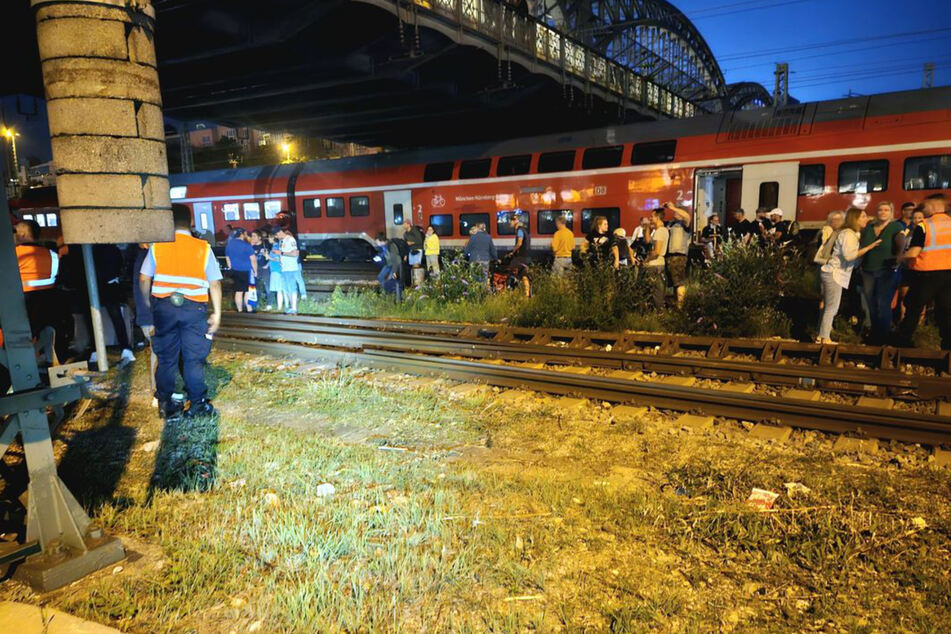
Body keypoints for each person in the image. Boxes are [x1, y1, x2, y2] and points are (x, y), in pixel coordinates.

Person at [139, 204, 223, 420]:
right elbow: (215, 284)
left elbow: (144, 278)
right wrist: (218, 313)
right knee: (193, 359)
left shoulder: (157, 247)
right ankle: (197, 405)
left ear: (169, 222)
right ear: (191, 221)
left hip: (164, 308)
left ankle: (165, 404)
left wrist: (149, 303)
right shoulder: (203, 248)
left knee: (166, 358)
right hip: (194, 309)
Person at [816, 207, 881, 344]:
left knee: (829, 305)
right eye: (863, 217)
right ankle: (824, 337)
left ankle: (821, 335)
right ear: (855, 219)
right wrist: (869, 248)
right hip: (834, 273)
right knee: (832, 307)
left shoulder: (849, 233)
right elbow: (849, 256)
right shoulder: (849, 234)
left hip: (833, 273)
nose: (866, 219)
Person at [897, 194, 951, 349]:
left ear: (934, 206)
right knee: (945, 311)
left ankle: (903, 342)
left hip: (926, 274)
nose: (924, 209)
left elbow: (914, 252)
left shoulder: (925, 225)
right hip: (949, 275)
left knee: (913, 308)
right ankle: (947, 345)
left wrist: (899, 258)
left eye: (926, 206)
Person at [859, 201, 902, 344]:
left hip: (886, 270)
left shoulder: (895, 226)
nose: (883, 212)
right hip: (868, 270)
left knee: (882, 303)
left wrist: (898, 257)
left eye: (886, 210)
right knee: (871, 304)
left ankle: (883, 337)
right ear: (876, 212)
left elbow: (901, 240)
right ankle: (874, 334)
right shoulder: (869, 227)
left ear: (891, 212)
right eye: (880, 210)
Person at [14, 219, 60, 339]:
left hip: (20, 302)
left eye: (15, 231)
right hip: (47, 301)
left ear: (22, 234)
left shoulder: (14, 253)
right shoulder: (52, 254)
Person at [664, 202, 692, 308]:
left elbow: (687, 216)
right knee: (674, 283)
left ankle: (681, 305)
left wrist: (672, 207)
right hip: (670, 256)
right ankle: (677, 303)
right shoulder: (671, 223)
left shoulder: (685, 224)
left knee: (679, 282)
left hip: (679, 256)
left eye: (678, 211)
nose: (675, 212)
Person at [643, 209, 669, 310]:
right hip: (659, 263)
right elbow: (648, 240)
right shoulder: (660, 230)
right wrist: (648, 228)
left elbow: (657, 252)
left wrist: (646, 260)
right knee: (657, 289)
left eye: (652, 216)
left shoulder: (660, 231)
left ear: (657, 217)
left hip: (655, 264)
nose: (650, 218)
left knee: (655, 290)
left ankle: (658, 310)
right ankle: (657, 310)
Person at [225, 229, 255, 312]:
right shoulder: (246, 245)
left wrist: (230, 268)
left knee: (238, 291)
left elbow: (227, 258)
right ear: (242, 234)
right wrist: (255, 270)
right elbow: (253, 259)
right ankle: (249, 309)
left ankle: (239, 310)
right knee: (247, 291)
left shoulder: (229, 245)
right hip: (246, 270)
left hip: (235, 270)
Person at [274, 226, 300, 314]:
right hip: (284, 268)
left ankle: (294, 308)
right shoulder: (282, 241)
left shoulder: (290, 240)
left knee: (292, 288)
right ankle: (291, 307)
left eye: (276, 235)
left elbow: (295, 253)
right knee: (287, 289)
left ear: (280, 232)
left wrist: (281, 253)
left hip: (291, 268)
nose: (276, 237)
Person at [250, 230, 270, 309]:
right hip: (255, 269)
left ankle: (269, 304)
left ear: (259, 237)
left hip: (264, 268)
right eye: (252, 236)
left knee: (267, 286)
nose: (253, 238)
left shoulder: (265, 246)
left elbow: (271, 256)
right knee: (255, 287)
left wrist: (267, 265)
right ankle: (256, 303)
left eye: (254, 236)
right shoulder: (251, 247)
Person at [264, 234, 284, 312]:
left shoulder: (276, 247)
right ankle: (278, 307)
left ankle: (279, 307)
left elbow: (278, 259)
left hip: (276, 270)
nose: (268, 239)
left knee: (278, 289)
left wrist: (268, 257)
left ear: (273, 238)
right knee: (276, 289)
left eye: (269, 237)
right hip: (275, 270)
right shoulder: (275, 246)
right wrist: (267, 264)